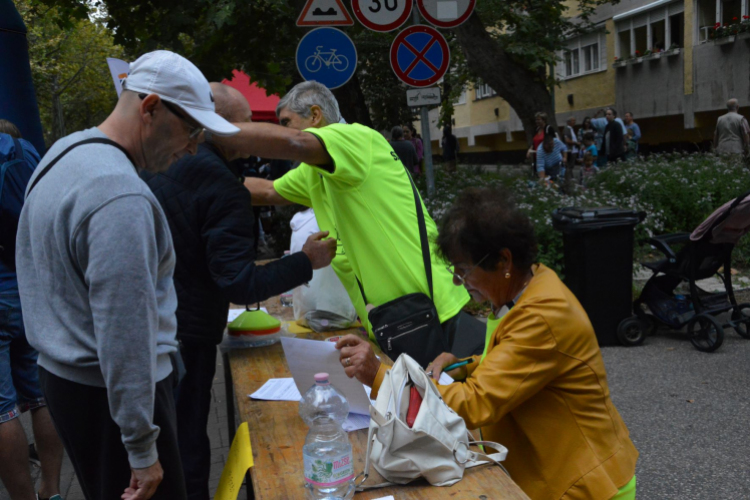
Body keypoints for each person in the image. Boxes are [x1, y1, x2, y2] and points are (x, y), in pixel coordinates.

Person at [16, 50, 239, 500]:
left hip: (69, 381)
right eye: (191, 129)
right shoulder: (119, 195)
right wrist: (140, 445)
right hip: (110, 399)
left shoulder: (64, 153)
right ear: (150, 108)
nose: (195, 145)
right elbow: (124, 331)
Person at [335, 187, 639, 500]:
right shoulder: (525, 289)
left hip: (584, 481)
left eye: (464, 269)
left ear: (504, 260)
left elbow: (478, 403)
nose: (457, 281)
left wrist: (380, 376)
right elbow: (513, 359)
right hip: (555, 471)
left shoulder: (542, 315)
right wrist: (461, 366)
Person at [140, 83, 336, 500]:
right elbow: (239, 281)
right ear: (224, 127)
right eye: (247, 123)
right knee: (189, 438)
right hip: (188, 333)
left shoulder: (160, 166)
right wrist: (306, 260)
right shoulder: (222, 185)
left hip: (151, 322)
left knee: (166, 437)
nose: (254, 132)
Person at [210, 80, 485, 362]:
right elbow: (268, 191)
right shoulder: (316, 169)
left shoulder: (352, 138)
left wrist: (208, 131)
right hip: (397, 319)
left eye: (286, 122)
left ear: (315, 116)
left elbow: (295, 142)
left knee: (446, 401)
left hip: (430, 311)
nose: (281, 130)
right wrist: (204, 176)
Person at [0, 121, 65, 500]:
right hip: (29, 292)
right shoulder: (27, 155)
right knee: (40, 398)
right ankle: (52, 490)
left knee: (3, 412)